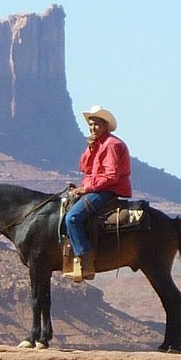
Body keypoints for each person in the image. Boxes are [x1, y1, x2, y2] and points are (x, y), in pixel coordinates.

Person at [66, 105, 131, 282]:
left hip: (107, 190)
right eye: (90, 124)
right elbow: (85, 168)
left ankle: (85, 260)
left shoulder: (112, 145)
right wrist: (91, 148)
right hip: (96, 187)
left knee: (72, 218)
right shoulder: (99, 144)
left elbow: (110, 176)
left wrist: (86, 189)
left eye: (96, 124)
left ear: (105, 125)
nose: (92, 127)